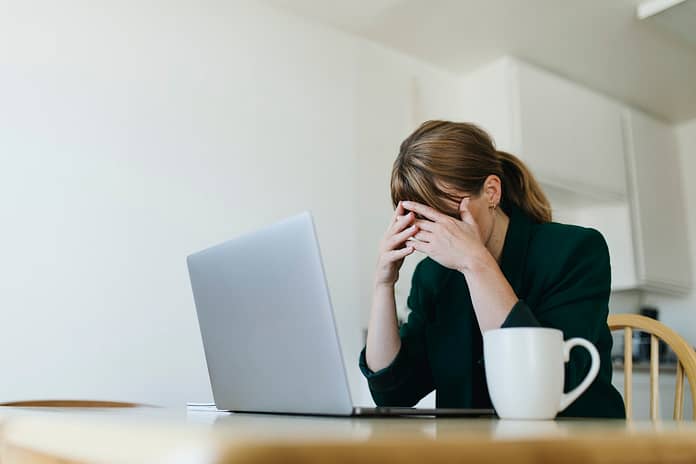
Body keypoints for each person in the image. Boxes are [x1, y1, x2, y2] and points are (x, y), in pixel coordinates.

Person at [359, 120, 625, 418]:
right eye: (423, 220)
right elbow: (393, 392)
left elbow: (538, 391)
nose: (439, 235)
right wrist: (383, 283)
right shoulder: (432, 277)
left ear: (491, 192)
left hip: (574, 443)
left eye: (447, 216)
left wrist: (475, 263)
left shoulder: (574, 250)